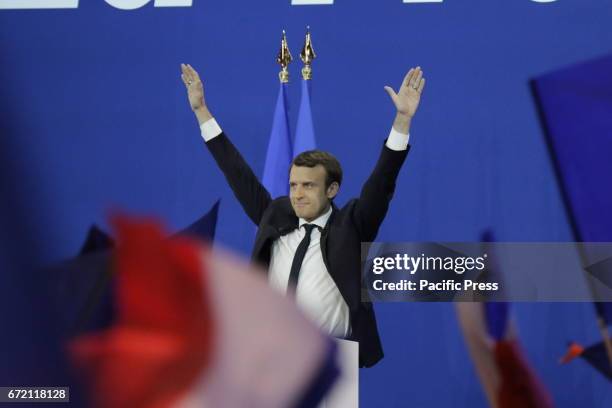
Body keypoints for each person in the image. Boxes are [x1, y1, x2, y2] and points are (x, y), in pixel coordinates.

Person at [180, 63, 425, 368]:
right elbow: (236, 171)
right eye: (293, 184)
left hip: (332, 361)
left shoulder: (352, 225)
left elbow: (382, 182)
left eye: (308, 186)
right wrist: (202, 111)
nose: (297, 194)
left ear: (332, 189)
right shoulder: (275, 214)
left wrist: (402, 120)